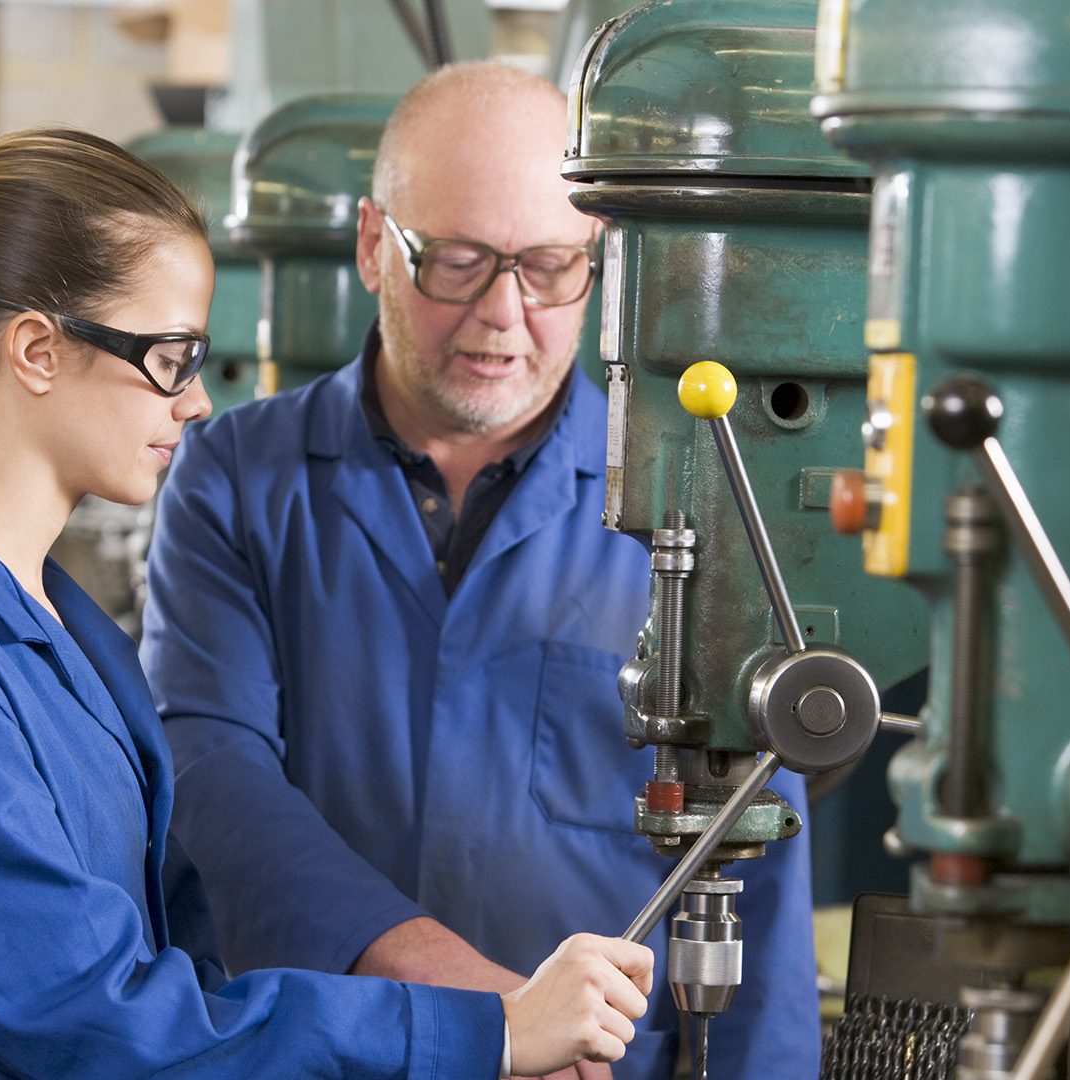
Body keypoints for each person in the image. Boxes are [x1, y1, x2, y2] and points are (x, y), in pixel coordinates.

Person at [0, 127, 655, 1079]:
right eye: (170, 357)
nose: (192, 402)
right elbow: (94, 1020)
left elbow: (169, 975)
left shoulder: (54, 627)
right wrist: (490, 1033)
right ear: (36, 351)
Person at [142, 63, 820, 1080]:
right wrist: (487, 1006)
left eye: (549, 267)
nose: (504, 314)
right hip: (324, 1055)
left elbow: (757, 847)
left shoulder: (701, 500)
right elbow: (214, 776)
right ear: (374, 245)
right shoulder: (235, 480)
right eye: (456, 261)